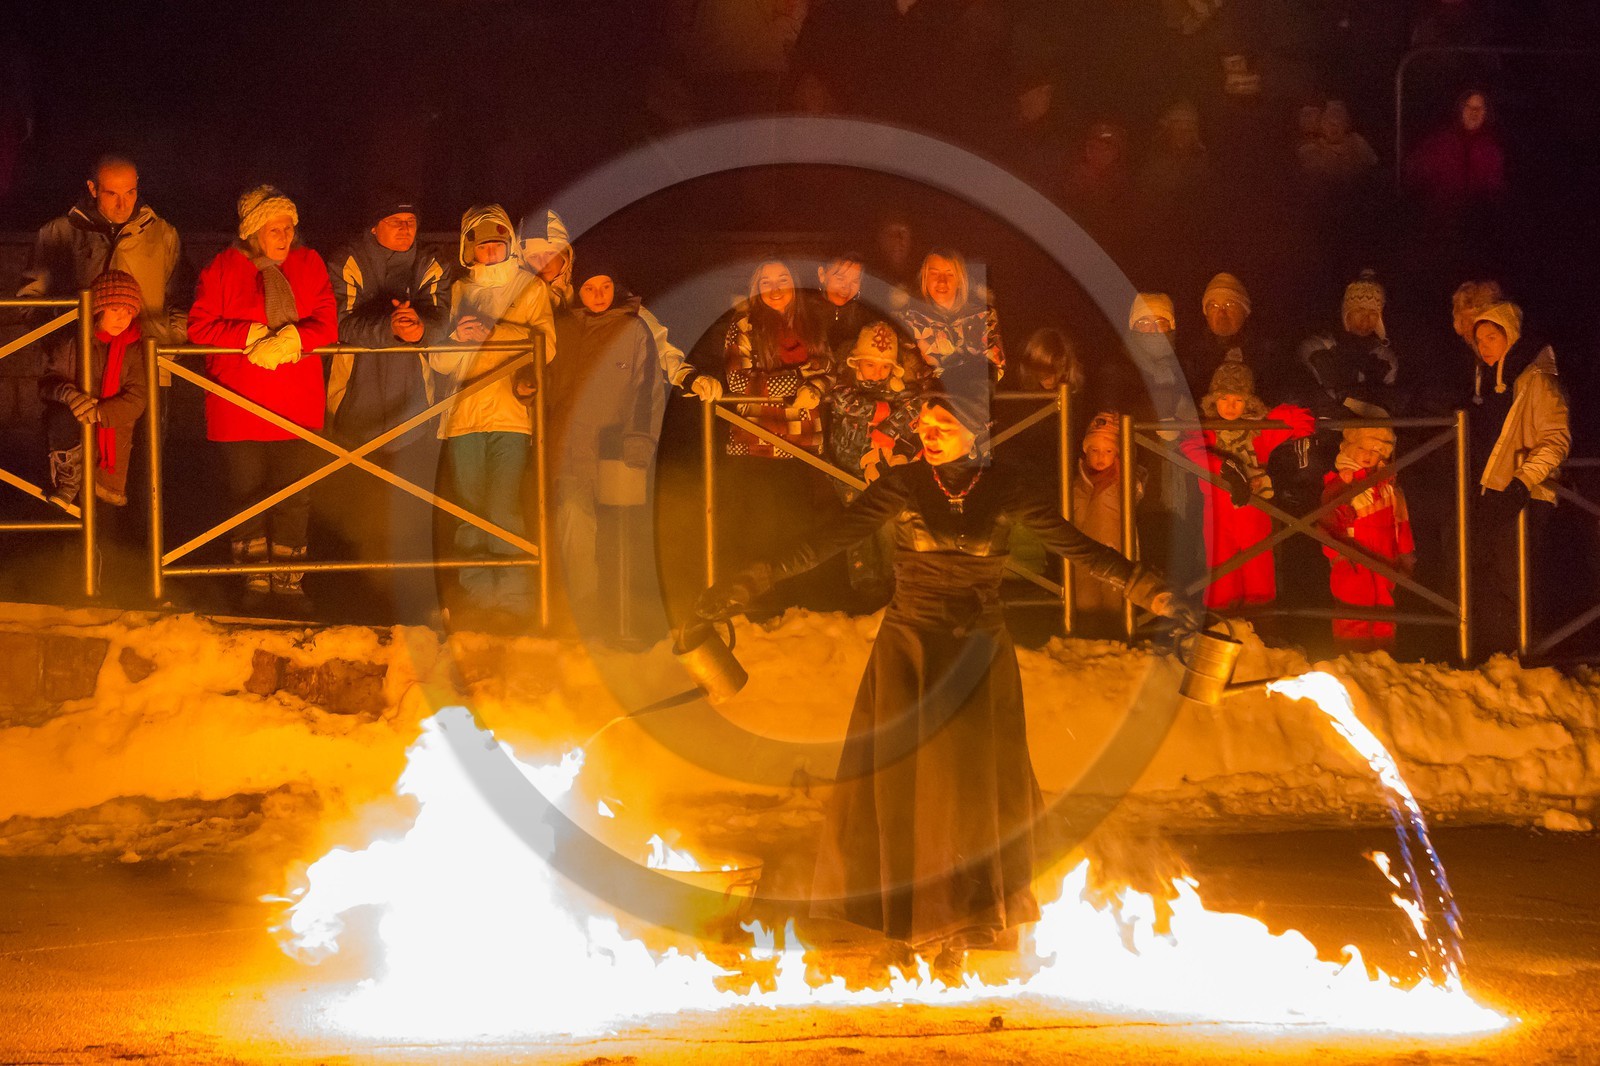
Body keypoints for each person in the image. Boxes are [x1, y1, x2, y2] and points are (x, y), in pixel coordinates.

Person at [694, 388, 1196, 978]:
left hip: (978, 651)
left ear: (977, 432)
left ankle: (960, 927)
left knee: (965, 794)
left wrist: (1153, 592)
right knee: (905, 789)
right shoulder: (903, 485)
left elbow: (1080, 550)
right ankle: (898, 933)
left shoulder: (1007, 489)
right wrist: (748, 583)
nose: (928, 433)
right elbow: (822, 542)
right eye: (924, 424)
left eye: (943, 424)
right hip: (911, 648)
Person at [188, 185, 338, 613]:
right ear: (254, 231)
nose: (285, 236)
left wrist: (294, 338)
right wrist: (247, 336)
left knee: (295, 492)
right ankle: (251, 576)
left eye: (289, 227)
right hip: (239, 404)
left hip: (296, 401)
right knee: (246, 492)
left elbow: (327, 322)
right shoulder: (222, 268)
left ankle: (289, 578)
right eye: (275, 227)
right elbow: (199, 328)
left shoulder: (308, 264)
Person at [320, 188, 450, 618]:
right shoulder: (349, 259)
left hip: (416, 406)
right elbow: (337, 320)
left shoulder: (429, 261)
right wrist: (389, 326)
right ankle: (352, 595)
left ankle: (410, 595)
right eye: (395, 221)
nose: (405, 229)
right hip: (358, 400)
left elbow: (442, 315)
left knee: (410, 503)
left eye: (411, 221)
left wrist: (419, 331)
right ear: (374, 225)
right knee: (357, 505)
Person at [433, 204, 557, 628]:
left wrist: (492, 332)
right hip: (464, 413)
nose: (490, 250)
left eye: (497, 242)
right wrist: (456, 339)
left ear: (509, 244)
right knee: (469, 509)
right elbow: (443, 362)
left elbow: (547, 345)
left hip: (508, 414)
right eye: (482, 244)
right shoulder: (457, 290)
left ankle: (514, 598)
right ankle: (475, 596)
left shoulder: (530, 288)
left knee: (503, 506)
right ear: (470, 248)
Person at [548, 260, 667, 643]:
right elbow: (545, 379)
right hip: (568, 448)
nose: (598, 296)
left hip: (617, 450)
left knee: (620, 535)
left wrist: (639, 442)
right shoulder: (563, 328)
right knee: (574, 525)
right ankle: (583, 615)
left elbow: (646, 389)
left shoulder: (633, 329)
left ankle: (627, 619)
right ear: (577, 291)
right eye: (589, 288)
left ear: (616, 287)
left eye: (604, 287)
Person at [720, 259, 834, 584]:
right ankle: (758, 603)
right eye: (766, 281)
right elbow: (739, 385)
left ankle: (795, 601)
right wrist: (798, 379)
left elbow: (829, 369)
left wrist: (816, 387)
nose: (775, 288)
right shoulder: (744, 326)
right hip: (758, 441)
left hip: (802, 441)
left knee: (797, 526)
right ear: (756, 288)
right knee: (761, 527)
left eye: (782, 278)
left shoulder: (811, 323)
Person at [1468, 301, 1570, 657]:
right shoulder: (1493, 384)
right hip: (1495, 493)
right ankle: (1502, 660)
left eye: (1491, 337)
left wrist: (1522, 483)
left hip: (1526, 495)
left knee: (1518, 581)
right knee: (1495, 580)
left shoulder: (1537, 378)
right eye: (1479, 340)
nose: (1484, 346)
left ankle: (1532, 660)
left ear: (1510, 336)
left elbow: (1556, 438)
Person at [1181, 362, 1315, 612]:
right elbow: (1188, 448)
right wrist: (1225, 466)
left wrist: (1277, 421)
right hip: (1218, 518)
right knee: (1221, 576)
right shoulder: (1206, 432)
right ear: (1214, 401)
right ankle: (1221, 631)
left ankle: (1261, 634)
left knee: (1258, 575)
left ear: (1248, 403)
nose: (1230, 406)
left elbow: (1301, 417)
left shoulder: (1259, 432)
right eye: (1223, 398)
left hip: (1255, 515)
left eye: (1238, 400)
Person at [18, 153, 189, 348]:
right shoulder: (59, 233)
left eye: (130, 192)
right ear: (93, 188)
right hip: (79, 363)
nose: (122, 205)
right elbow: (32, 299)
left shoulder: (163, 234)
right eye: (112, 194)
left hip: (147, 361)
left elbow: (182, 295)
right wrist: (62, 343)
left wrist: (169, 339)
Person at [825, 320, 922, 606]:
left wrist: (890, 419)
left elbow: (916, 406)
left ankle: (896, 581)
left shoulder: (900, 390)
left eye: (885, 367)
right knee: (858, 527)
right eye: (871, 365)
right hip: (846, 469)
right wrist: (886, 410)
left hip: (883, 471)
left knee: (888, 523)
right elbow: (847, 404)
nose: (877, 373)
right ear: (856, 363)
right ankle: (865, 584)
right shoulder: (844, 385)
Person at [39, 270, 148, 511]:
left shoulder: (135, 347)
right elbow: (49, 382)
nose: (123, 318)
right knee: (72, 515)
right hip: (71, 433)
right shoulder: (73, 340)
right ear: (98, 308)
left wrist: (99, 412)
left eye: (129, 311)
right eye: (116, 309)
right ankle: (68, 481)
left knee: (104, 514)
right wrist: (71, 396)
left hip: (112, 439)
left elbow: (138, 397)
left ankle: (104, 547)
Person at [1320, 425, 1415, 651]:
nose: (1368, 455)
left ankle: (1383, 659)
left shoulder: (1388, 484)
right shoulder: (1340, 483)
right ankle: (1352, 659)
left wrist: (1405, 554)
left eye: (1375, 450)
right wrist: (1339, 557)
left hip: (1385, 558)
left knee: (1384, 610)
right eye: (1362, 447)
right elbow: (1326, 523)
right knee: (1353, 611)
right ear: (1351, 448)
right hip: (1352, 559)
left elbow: (1400, 519)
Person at [1071, 411, 1146, 622]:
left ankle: (1117, 631)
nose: (1100, 456)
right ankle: (1085, 630)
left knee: (1115, 596)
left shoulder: (1124, 479)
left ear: (1117, 453)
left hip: (1117, 549)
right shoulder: (1078, 480)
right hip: (1083, 550)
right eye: (1094, 450)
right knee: (1084, 597)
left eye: (1108, 450)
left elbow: (1137, 494)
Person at [897, 249, 1004, 396]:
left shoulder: (983, 316)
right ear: (924, 278)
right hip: (927, 412)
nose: (942, 281)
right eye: (934, 273)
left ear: (960, 280)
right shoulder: (909, 320)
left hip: (971, 408)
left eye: (950, 274)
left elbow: (994, 368)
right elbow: (905, 373)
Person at [1300, 270, 1400, 417]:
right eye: (1360, 310)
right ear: (1346, 312)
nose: (1366, 320)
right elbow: (1329, 395)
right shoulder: (1316, 347)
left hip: (1369, 435)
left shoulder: (1384, 357)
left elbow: (1387, 406)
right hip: (1326, 433)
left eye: (1373, 313)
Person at [1403, 89, 1506, 224]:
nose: (1474, 112)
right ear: (1460, 110)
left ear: (1486, 113)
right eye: (1469, 107)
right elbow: (1413, 175)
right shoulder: (1439, 142)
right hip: (1441, 222)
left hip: (1479, 224)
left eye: (1480, 108)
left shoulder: (1491, 149)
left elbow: (1497, 190)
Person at [1296, 100, 1380, 188]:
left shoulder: (1358, 143)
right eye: (1327, 120)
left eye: (1338, 117)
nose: (1333, 125)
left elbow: (1374, 172)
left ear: (1347, 122)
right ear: (1320, 123)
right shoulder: (1309, 151)